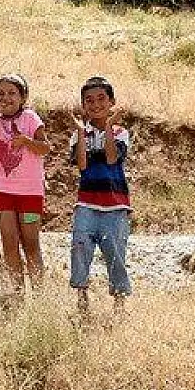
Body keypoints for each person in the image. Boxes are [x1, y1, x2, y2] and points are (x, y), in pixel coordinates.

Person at [70, 76, 133, 314]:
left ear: (111, 101)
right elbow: (82, 165)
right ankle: (82, 297)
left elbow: (111, 158)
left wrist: (106, 128)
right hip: (86, 202)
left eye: (101, 99)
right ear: (83, 105)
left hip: (115, 205)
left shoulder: (120, 132)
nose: (95, 104)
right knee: (80, 247)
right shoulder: (78, 134)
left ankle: (119, 302)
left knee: (115, 251)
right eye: (89, 100)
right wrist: (80, 132)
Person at [0, 73, 49, 292]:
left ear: (23, 97)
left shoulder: (31, 118)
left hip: (29, 191)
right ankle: (17, 293)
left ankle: (40, 296)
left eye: (12, 93)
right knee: (9, 243)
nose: (6, 98)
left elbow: (45, 148)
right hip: (1, 190)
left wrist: (27, 141)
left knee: (31, 244)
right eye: (1, 93)